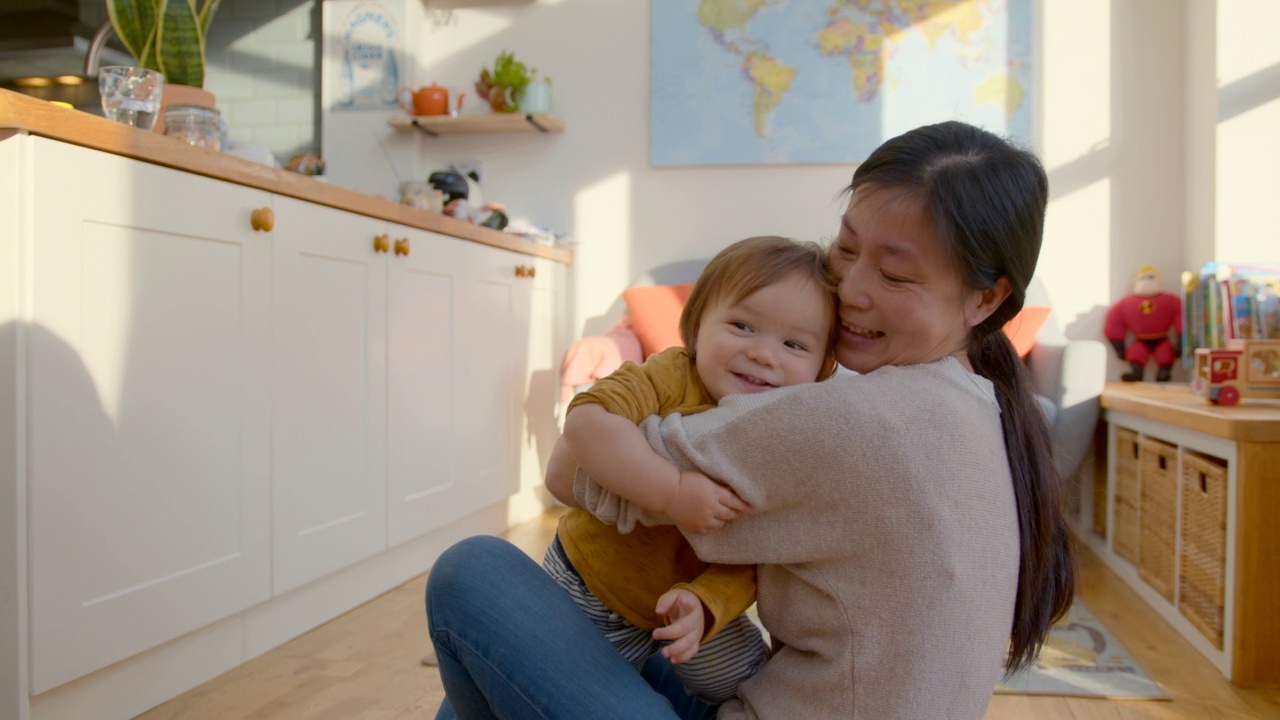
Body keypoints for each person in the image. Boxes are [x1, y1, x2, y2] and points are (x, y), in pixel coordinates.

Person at [425, 120, 1076, 719]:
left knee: (474, 572)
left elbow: (568, 470)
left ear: (986, 299)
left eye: (896, 275)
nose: (850, 290)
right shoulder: (981, 405)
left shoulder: (855, 421)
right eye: (845, 248)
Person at [542, 235, 839, 704]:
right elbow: (587, 420)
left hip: (686, 605)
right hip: (590, 584)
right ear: (698, 327)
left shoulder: (792, 440)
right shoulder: (671, 374)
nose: (764, 354)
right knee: (560, 681)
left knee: (751, 684)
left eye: (794, 344)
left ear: (824, 368)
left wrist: (706, 605)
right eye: (742, 325)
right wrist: (672, 491)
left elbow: (756, 553)